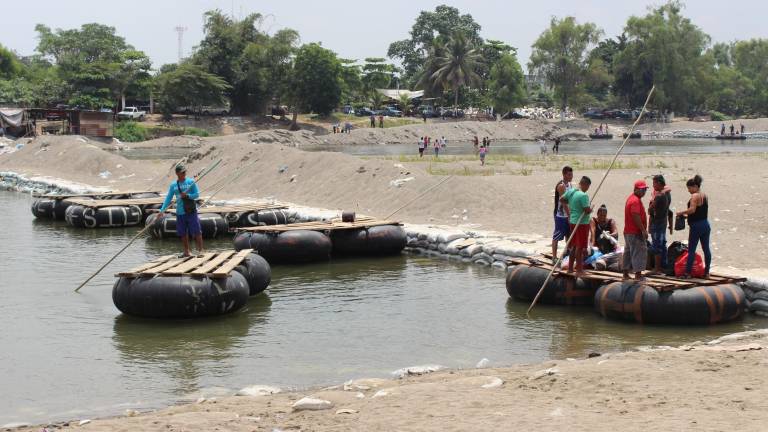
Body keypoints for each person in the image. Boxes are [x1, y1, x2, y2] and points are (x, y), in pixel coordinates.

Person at [155, 164, 203, 257]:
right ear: (177, 173)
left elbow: (197, 195)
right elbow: (168, 198)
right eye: (182, 172)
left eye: (185, 172)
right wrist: (162, 210)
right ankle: (186, 252)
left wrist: (188, 196)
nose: (184, 173)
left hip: (191, 211)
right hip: (180, 212)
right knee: (182, 232)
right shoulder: (173, 185)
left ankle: (200, 251)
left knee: (197, 230)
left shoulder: (191, 182)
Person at [676, 175, 711, 278]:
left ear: (695, 186)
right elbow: (700, 212)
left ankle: (687, 273)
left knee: (691, 249)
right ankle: (707, 272)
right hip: (705, 224)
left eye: (689, 188)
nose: (688, 190)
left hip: (696, 226)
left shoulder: (694, 196)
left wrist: (680, 213)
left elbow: (692, 210)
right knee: (706, 249)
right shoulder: (704, 195)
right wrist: (686, 217)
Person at [561, 176, 593, 275]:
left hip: (573, 221)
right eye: (587, 186)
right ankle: (579, 270)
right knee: (579, 247)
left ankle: (570, 268)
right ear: (585, 184)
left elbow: (562, 199)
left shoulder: (571, 191)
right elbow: (587, 211)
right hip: (582, 223)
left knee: (573, 246)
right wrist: (591, 209)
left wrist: (570, 204)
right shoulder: (583, 195)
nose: (587, 189)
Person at [622, 180, 649, 280]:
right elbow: (635, 215)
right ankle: (638, 275)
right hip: (634, 232)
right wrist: (643, 230)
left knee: (628, 252)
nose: (644, 192)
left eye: (645, 190)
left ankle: (625, 274)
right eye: (642, 190)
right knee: (639, 252)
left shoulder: (632, 199)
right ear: (636, 189)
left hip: (628, 231)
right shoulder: (635, 201)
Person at [648, 174, 673, 274]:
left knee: (656, 245)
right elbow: (669, 212)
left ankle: (657, 268)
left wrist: (651, 205)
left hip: (657, 223)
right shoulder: (667, 194)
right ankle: (663, 266)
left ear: (659, 183)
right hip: (663, 223)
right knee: (662, 244)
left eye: (654, 183)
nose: (653, 185)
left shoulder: (659, 196)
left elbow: (650, 210)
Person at [552, 166, 574, 261]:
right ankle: (554, 257)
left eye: (572, 174)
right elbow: (564, 202)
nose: (571, 176)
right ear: (564, 174)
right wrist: (569, 215)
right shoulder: (561, 186)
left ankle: (567, 254)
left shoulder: (570, 184)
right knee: (557, 235)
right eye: (569, 175)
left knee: (568, 235)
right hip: (560, 215)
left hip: (568, 213)